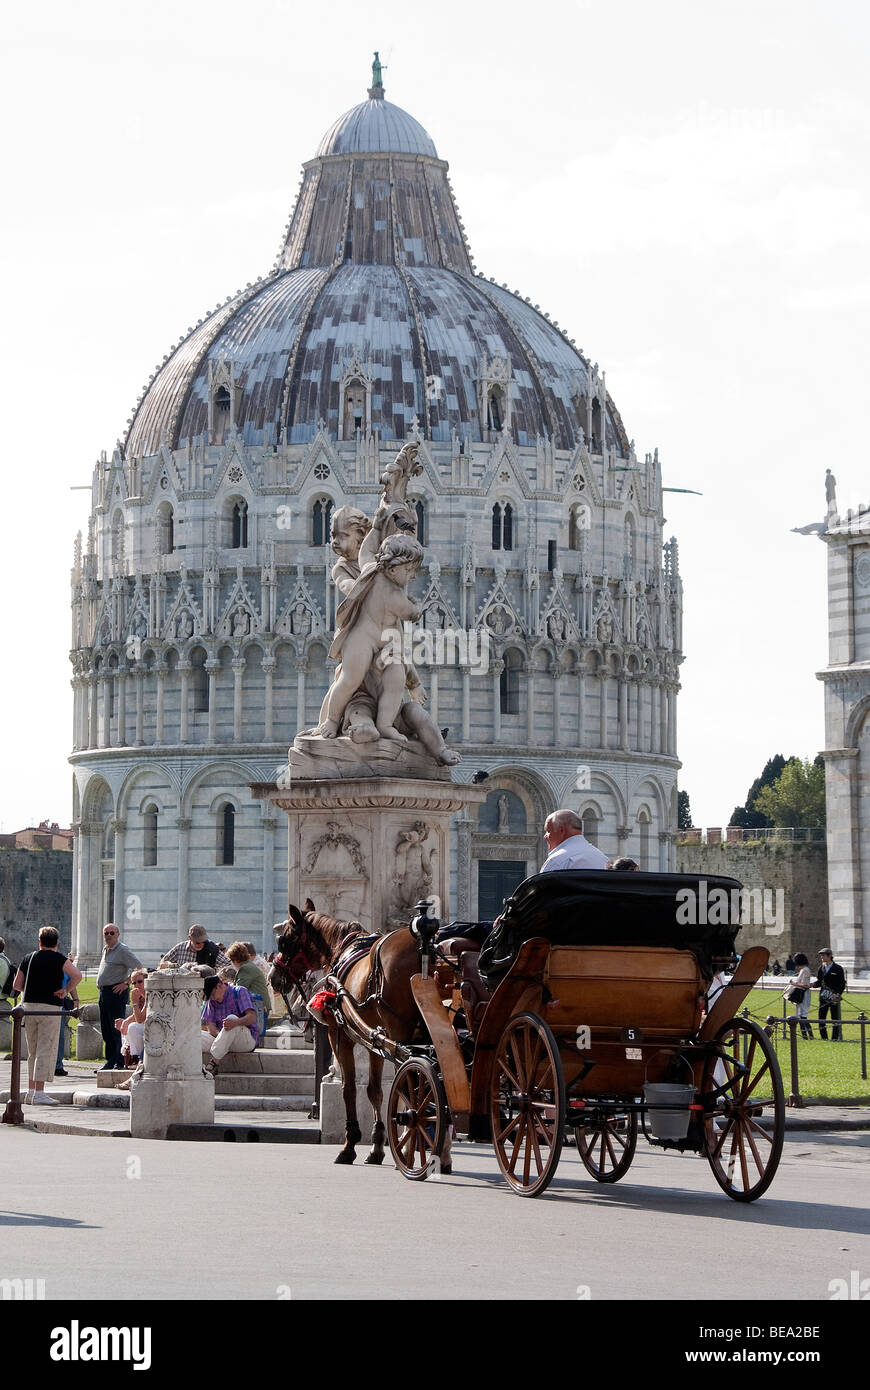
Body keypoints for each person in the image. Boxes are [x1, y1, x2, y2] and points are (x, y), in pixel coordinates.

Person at [12, 926, 82, 1104]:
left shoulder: (29, 957)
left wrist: (33, 989)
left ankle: (30, 1090)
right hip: (49, 1007)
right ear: (57, 943)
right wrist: (65, 990)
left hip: (28, 1007)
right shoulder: (59, 959)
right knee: (46, 1049)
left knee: (32, 1051)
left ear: (40, 942)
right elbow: (77, 975)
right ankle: (40, 1092)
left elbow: (17, 985)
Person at [96, 923, 142, 1071]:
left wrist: (125, 983)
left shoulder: (122, 950)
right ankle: (110, 1061)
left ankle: (119, 1062)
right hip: (104, 993)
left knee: (116, 1028)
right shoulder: (106, 950)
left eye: (111, 933)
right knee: (106, 1030)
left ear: (118, 935)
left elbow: (139, 968)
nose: (108, 936)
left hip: (116, 993)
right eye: (106, 933)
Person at [201, 976, 258, 1075]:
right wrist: (222, 1035)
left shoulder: (240, 991)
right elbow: (210, 1026)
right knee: (194, 1035)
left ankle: (214, 1062)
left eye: (213, 994)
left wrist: (236, 1023)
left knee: (232, 1019)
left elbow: (252, 1017)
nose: (212, 998)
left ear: (219, 986)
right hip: (221, 1039)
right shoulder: (212, 1001)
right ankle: (191, 1067)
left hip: (246, 1040)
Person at [540, 810, 609, 871]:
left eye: (548, 831)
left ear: (561, 830)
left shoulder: (556, 861)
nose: (545, 836)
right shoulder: (603, 859)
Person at [160, 924, 232, 973]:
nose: (201, 944)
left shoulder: (212, 949)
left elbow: (229, 965)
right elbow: (162, 964)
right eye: (197, 942)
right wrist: (170, 965)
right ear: (190, 938)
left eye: (203, 941)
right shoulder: (180, 947)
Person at [116, 968, 148, 1067]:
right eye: (134, 983)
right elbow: (139, 1015)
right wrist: (125, 1022)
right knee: (125, 1028)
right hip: (148, 1027)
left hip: (157, 1030)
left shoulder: (151, 995)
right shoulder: (141, 996)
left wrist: (134, 1002)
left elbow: (140, 1019)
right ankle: (128, 1060)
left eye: (140, 981)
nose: (137, 985)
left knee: (133, 1027)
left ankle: (136, 1057)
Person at [55, 957, 80, 1077]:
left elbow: (72, 982)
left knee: (59, 1037)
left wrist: (75, 999)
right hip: (51, 1006)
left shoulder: (63, 964)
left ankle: (57, 1065)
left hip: (60, 1006)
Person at [815, 948, 846, 1042]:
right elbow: (819, 981)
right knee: (821, 1018)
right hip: (823, 997)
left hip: (834, 998)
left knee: (835, 1019)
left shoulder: (838, 968)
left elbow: (842, 984)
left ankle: (834, 1038)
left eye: (823, 955)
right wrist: (811, 985)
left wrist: (837, 994)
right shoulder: (821, 968)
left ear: (829, 956)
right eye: (821, 955)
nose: (822, 957)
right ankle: (824, 1038)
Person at [785, 952, 813, 1039]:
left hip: (803, 995)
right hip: (801, 995)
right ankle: (805, 1036)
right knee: (800, 1016)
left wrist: (793, 983)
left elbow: (805, 985)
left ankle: (809, 1036)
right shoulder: (803, 970)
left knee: (803, 1016)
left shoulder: (805, 970)